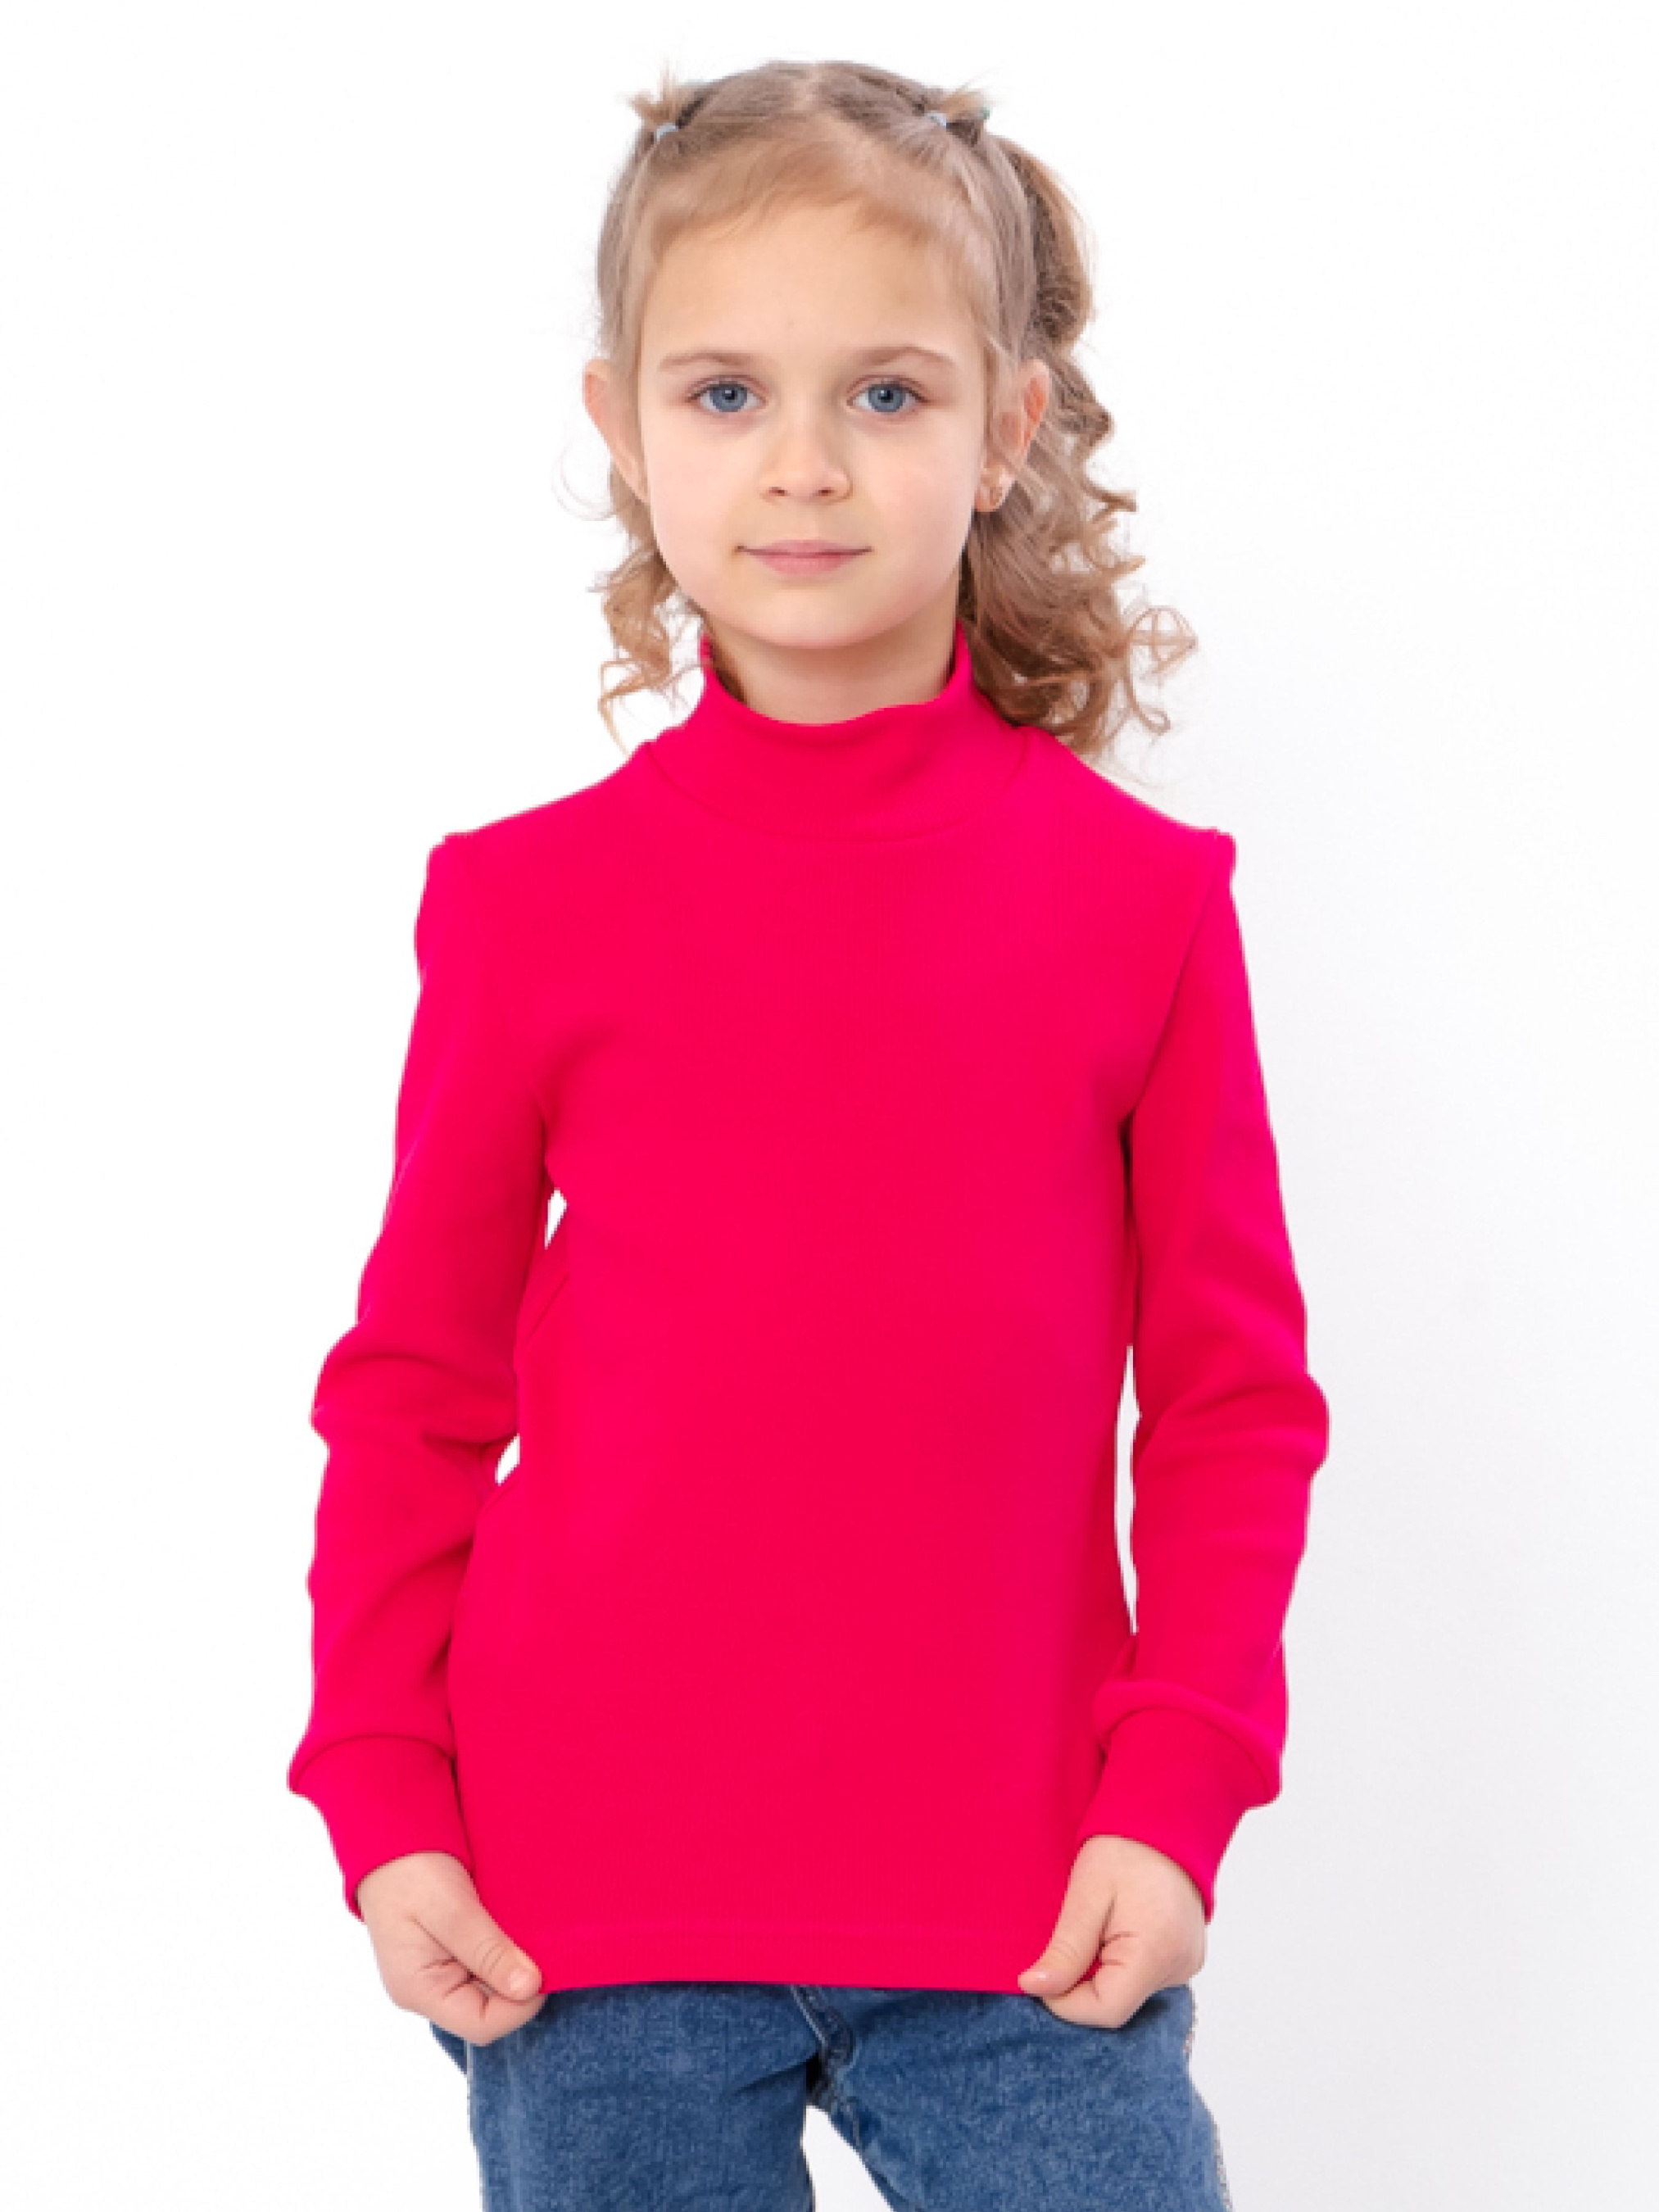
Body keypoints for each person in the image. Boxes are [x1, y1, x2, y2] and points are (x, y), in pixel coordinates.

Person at [286, 55, 1330, 2210]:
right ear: (620, 426)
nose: (804, 463)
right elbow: (415, 1391)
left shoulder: (1142, 904)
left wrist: (1175, 1794)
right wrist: (383, 1793)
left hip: (1028, 1906)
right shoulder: (524, 903)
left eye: (884, 393)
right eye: (726, 393)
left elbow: (1233, 1404)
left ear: (1007, 424)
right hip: (584, 1916)